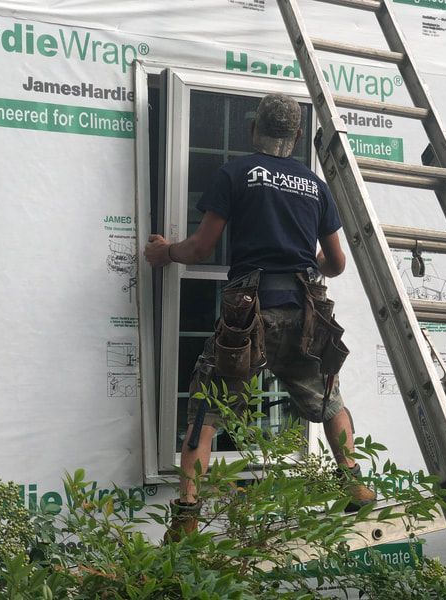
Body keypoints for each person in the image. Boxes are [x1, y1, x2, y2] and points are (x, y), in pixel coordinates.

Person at [144, 93, 375, 541]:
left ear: (254, 130)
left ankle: (187, 514)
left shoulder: (235, 173)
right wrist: (307, 264)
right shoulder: (315, 185)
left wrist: (163, 252)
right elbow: (337, 263)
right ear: (297, 135)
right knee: (328, 397)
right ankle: (354, 481)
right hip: (304, 311)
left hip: (248, 315)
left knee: (205, 404)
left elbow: (200, 249)